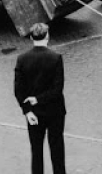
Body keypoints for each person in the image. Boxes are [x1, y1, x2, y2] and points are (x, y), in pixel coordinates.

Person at [14, 23, 66, 174]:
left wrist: (28, 111)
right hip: (55, 111)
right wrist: (38, 99)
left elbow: (18, 90)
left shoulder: (22, 59)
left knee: (36, 151)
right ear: (47, 37)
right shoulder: (55, 58)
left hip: (34, 113)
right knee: (57, 149)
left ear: (31, 37)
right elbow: (57, 89)